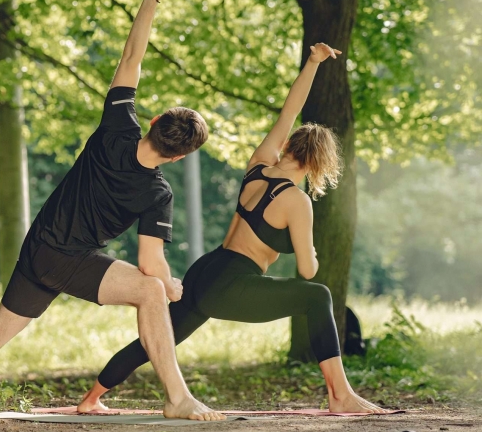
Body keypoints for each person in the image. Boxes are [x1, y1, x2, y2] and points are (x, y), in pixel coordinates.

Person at [0, 0, 224, 421]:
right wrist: (170, 285)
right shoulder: (157, 193)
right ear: (179, 157)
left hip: (39, 245)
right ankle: (177, 398)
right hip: (68, 259)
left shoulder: (117, 126)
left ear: (152, 123)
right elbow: (150, 264)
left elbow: (131, 58)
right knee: (150, 291)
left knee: (0, 327)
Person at [76, 42, 389, 415]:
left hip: (208, 270)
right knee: (317, 294)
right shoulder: (297, 201)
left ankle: (91, 398)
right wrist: (312, 249)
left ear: (288, 145)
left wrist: (313, 62)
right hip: (234, 283)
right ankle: (340, 395)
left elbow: (290, 110)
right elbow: (307, 271)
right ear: (319, 164)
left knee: (158, 338)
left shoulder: (260, 164)